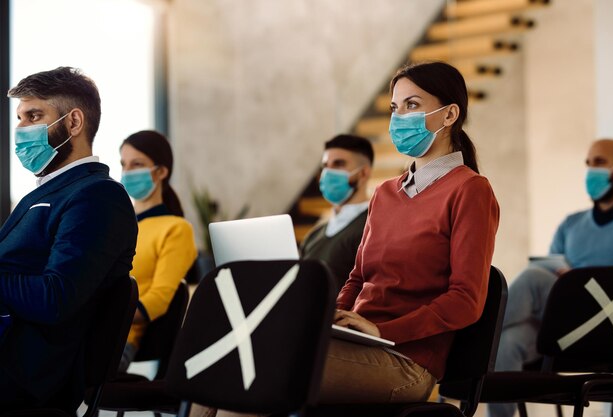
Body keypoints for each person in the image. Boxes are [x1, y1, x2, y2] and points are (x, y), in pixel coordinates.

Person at [192, 61, 499, 417]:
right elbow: (357, 277)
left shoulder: (470, 190)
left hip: (407, 362)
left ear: (450, 115)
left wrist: (381, 329)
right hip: (358, 343)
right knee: (224, 354)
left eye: (412, 105)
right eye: (395, 108)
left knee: (256, 364)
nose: (400, 117)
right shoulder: (385, 193)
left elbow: (465, 300)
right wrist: (333, 313)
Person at [0, 67, 137, 411]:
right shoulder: (42, 195)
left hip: (26, 375)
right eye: (19, 118)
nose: (21, 130)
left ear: (74, 123)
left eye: (34, 115)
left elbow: (55, 298)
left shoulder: (98, 196)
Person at [489, 138, 613, 417]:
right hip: (564, 328)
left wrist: (578, 279)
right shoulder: (571, 225)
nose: (590, 171)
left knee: (532, 279)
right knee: (507, 343)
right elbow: (552, 273)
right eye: (587, 164)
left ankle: (474, 334)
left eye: (599, 162)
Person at [118, 130, 197, 371]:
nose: (128, 172)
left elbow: (158, 300)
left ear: (161, 172)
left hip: (116, 342)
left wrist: (100, 317)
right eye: (124, 164)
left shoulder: (176, 228)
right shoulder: (117, 227)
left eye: (137, 164)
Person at [299, 134, 373, 291]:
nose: (328, 172)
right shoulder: (315, 234)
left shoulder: (373, 226)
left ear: (364, 173)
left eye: (339, 164)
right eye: (325, 165)